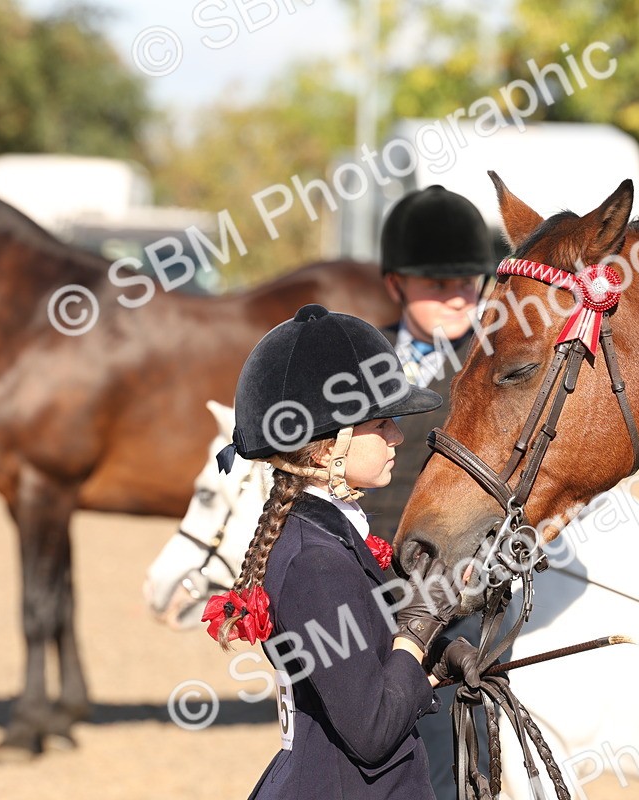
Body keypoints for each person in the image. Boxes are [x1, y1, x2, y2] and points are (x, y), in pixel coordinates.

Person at [203, 304, 481, 799]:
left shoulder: (330, 538)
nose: (398, 435)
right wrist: (417, 631)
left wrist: (431, 662)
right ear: (327, 447)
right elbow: (371, 730)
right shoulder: (315, 564)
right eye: (383, 424)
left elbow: (360, 666)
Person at [360, 184, 496, 799]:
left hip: (458, 596)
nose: (455, 296)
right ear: (395, 284)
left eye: (467, 280)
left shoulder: (499, 365)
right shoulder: (356, 362)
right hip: (359, 589)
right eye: (434, 283)